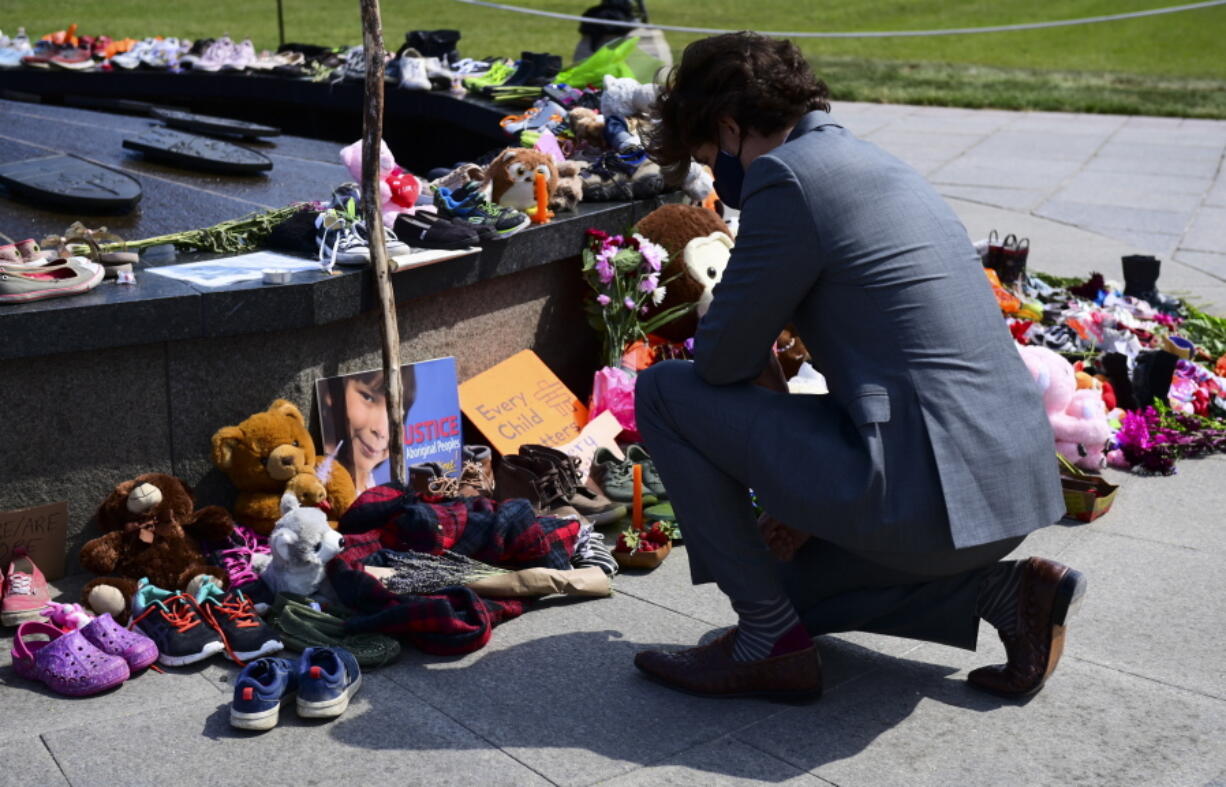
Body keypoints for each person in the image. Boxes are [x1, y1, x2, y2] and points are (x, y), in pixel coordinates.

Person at [633, 32, 1086, 701]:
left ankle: (765, 643)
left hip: (924, 490)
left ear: (730, 128)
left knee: (665, 391)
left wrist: (787, 474)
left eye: (709, 157)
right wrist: (800, 493)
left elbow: (723, 359)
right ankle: (1004, 589)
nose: (720, 183)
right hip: (1005, 487)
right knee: (789, 588)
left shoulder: (785, 179)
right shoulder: (880, 163)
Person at [320, 368, 416, 495]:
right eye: (368, 398)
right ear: (330, 393)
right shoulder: (319, 484)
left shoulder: (372, 487)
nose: (382, 431)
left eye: (396, 412)